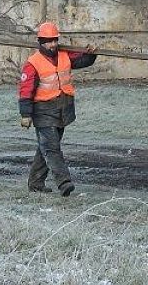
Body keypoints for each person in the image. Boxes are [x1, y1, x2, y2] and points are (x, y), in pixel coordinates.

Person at [18, 21, 97, 196]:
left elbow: (83, 60)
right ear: (40, 42)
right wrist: (25, 114)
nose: (52, 44)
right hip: (43, 111)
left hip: (63, 109)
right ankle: (64, 182)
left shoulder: (64, 55)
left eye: (54, 40)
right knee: (51, 148)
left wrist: (91, 54)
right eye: (48, 41)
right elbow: (26, 90)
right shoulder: (32, 64)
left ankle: (36, 184)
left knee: (45, 148)